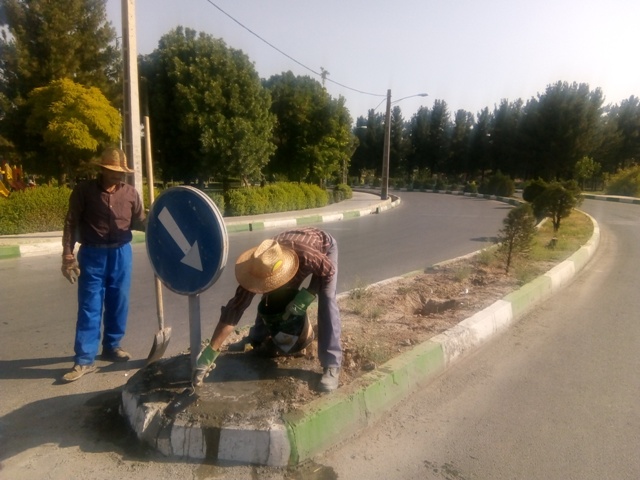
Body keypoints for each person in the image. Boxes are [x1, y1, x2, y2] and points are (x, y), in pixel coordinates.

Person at [193, 227, 342, 392]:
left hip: (323, 249)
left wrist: (307, 296)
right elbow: (234, 309)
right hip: (287, 252)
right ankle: (256, 338)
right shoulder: (256, 267)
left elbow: (328, 271)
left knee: (327, 297)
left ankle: (332, 363)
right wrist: (210, 352)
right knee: (270, 297)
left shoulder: (306, 255)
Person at [60, 147, 145, 383]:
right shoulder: (84, 191)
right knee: (90, 306)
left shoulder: (130, 193)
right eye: (113, 171)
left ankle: (112, 346)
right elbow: (71, 222)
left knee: (119, 302)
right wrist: (68, 256)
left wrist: (157, 222)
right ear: (103, 170)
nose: (119, 175)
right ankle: (84, 359)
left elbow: (139, 221)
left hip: (121, 254)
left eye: (121, 172)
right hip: (93, 255)